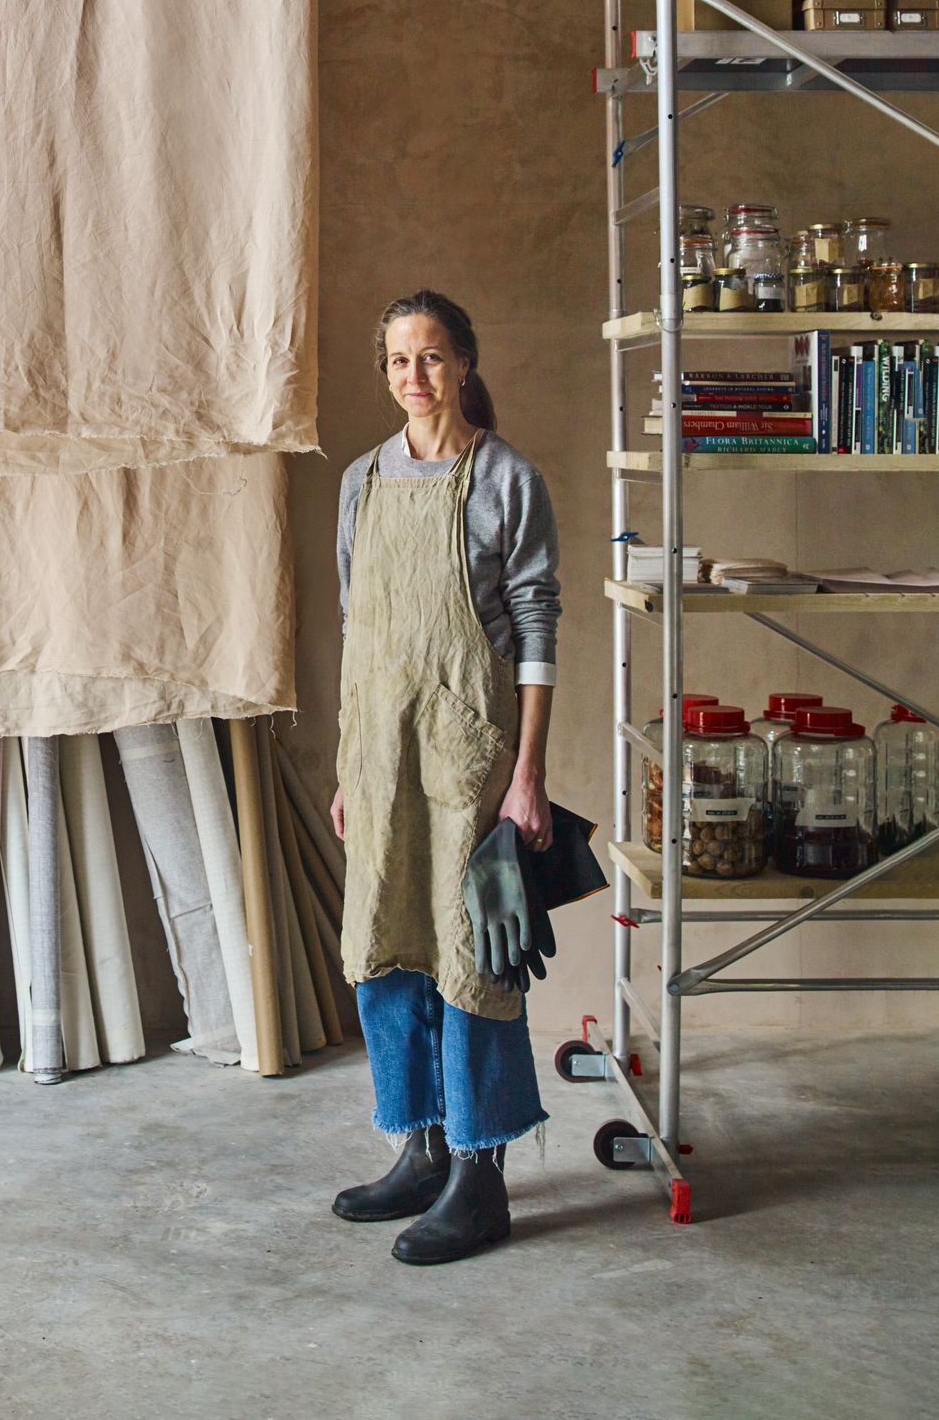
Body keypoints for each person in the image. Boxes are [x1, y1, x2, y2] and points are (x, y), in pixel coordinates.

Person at [330, 289, 560, 1265]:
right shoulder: (361, 482)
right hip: (380, 752)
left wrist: (527, 775)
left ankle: (481, 1174)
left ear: (463, 363)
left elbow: (538, 630)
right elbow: (359, 629)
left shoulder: (507, 478)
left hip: (471, 756)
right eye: (396, 362)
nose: (413, 378)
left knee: (471, 958)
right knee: (386, 941)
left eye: (429, 358)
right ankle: (417, 1147)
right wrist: (349, 767)